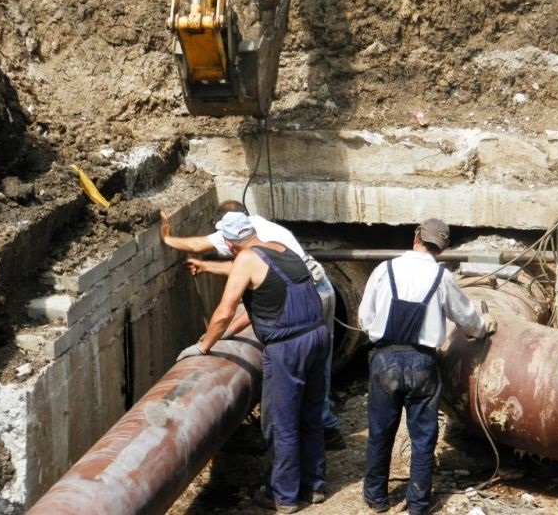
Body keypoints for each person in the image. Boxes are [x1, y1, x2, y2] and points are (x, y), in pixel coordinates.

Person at [161, 200, 347, 451]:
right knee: (317, 370)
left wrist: (210, 343)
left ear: (228, 233)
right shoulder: (265, 235)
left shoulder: (239, 241)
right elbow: (257, 275)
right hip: (319, 293)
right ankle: (324, 431)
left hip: (296, 313)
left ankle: (290, 454)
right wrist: (207, 266)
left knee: (281, 410)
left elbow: (261, 298)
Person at [176, 211, 330, 513]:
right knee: (310, 416)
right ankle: (314, 486)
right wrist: (233, 330)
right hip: (318, 335)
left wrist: (204, 346)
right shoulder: (280, 248)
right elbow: (266, 299)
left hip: (288, 348)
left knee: (280, 422)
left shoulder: (246, 259)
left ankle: (283, 496)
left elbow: (225, 310)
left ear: (231, 243)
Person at [358, 218, 497, 515]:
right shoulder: (442, 278)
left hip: (384, 359)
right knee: (422, 436)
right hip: (422, 362)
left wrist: (381, 339)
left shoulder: (385, 269)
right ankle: (418, 504)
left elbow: (364, 317)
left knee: (381, 430)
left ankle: (376, 498)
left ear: (415, 237)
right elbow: (469, 321)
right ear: (443, 247)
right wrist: (484, 327)